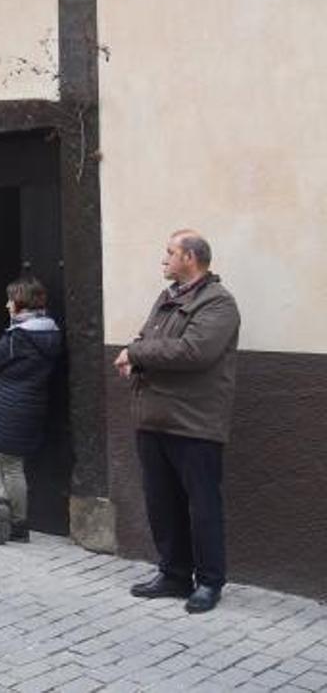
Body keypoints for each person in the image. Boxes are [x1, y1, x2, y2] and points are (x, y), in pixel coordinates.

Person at [115, 230, 240, 615]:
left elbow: (194, 351)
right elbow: (150, 336)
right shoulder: (167, 298)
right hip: (153, 418)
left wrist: (136, 352)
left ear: (190, 257)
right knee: (161, 502)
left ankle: (209, 582)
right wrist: (138, 352)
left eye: (170, 253)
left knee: (203, 506)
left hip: (194, 422)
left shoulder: (219, 303)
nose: (163, 259)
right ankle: (173, 574)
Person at [0, 277, 62, 545]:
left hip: (9, 406)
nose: (6, 305)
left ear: (19, 303)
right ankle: (7, 508)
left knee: (10, 465)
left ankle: (16, 520)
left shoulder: (19, 336)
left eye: (9, 300)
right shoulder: (50, 332)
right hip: (30, 404)